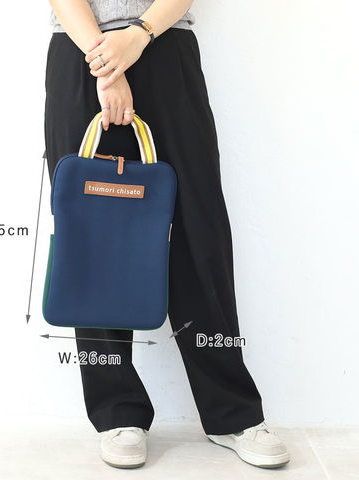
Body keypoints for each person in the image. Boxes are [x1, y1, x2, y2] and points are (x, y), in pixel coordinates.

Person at [44, 0, 290, 470]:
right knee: (94, 240)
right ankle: (117, 412)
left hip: (165, 48)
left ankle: (232, 413)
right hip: (80, 53)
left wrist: (137, 36)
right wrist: (108, 66)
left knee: (199, 233)